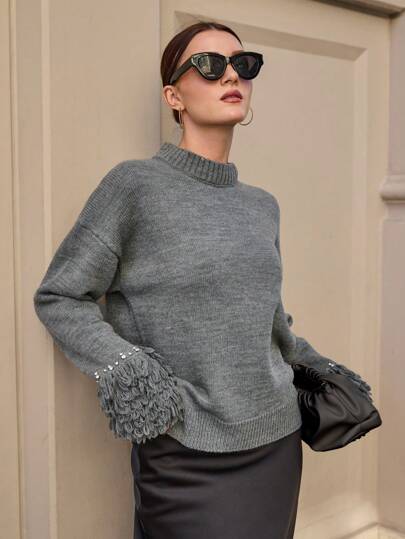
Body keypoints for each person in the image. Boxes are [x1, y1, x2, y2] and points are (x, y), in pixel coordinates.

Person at [33, 19, 364, 539]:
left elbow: (271, 324)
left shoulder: (262, 206)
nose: (231, 75)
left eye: (244, 65)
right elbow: (60, 295)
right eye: (209, 66)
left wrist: (322, 369)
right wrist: (132, 371)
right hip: (183, 448)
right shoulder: (134, 187)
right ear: (174, 96)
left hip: (276, 442)